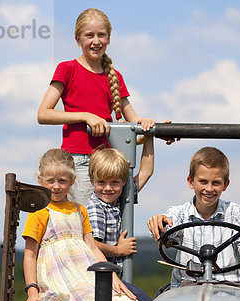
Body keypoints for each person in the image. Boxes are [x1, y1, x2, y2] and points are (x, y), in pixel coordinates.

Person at [21, 148, 141, 301]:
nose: (56, 186)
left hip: (84, 273)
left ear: (73, 180)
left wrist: (112, 276)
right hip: (60, 278)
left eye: (62, 180)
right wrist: (32, 290)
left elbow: (92, 247)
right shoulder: (40, 213)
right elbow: (30, 255)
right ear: (40, 180)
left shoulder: (80, 210)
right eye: (50, 180)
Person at [37, 8, 157, 205]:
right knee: (87, 224)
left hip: (106, 162)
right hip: (77, 161)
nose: (96, 41)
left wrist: (154, 127)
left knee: (111, 217)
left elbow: (134, 121)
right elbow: (43, 114)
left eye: (101, 35)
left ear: (109, 38)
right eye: (89, 35)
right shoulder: (67, 69)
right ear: (78, 39)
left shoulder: (115, 77)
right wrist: (85, 116)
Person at [147, 147, 240, 301]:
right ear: (190, 182)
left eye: (216, 183)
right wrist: (160, 222)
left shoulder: (237, 213)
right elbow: (169, 224)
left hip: (232, 286)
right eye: (203, 181)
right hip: (188, 286)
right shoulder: (179, 212)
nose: (209, 189)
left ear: (226, 184)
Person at [86, 140, 154, 301]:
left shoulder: (119, 200)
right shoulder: (96, 207)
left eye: (114, 182)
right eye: (101, 182)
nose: (108, 188)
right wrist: (118, 250)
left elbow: (146, 171)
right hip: (99, 278)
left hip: (113, 276)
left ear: (124, 181)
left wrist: (148, 137)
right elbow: (91, 245)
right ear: (92, 180)